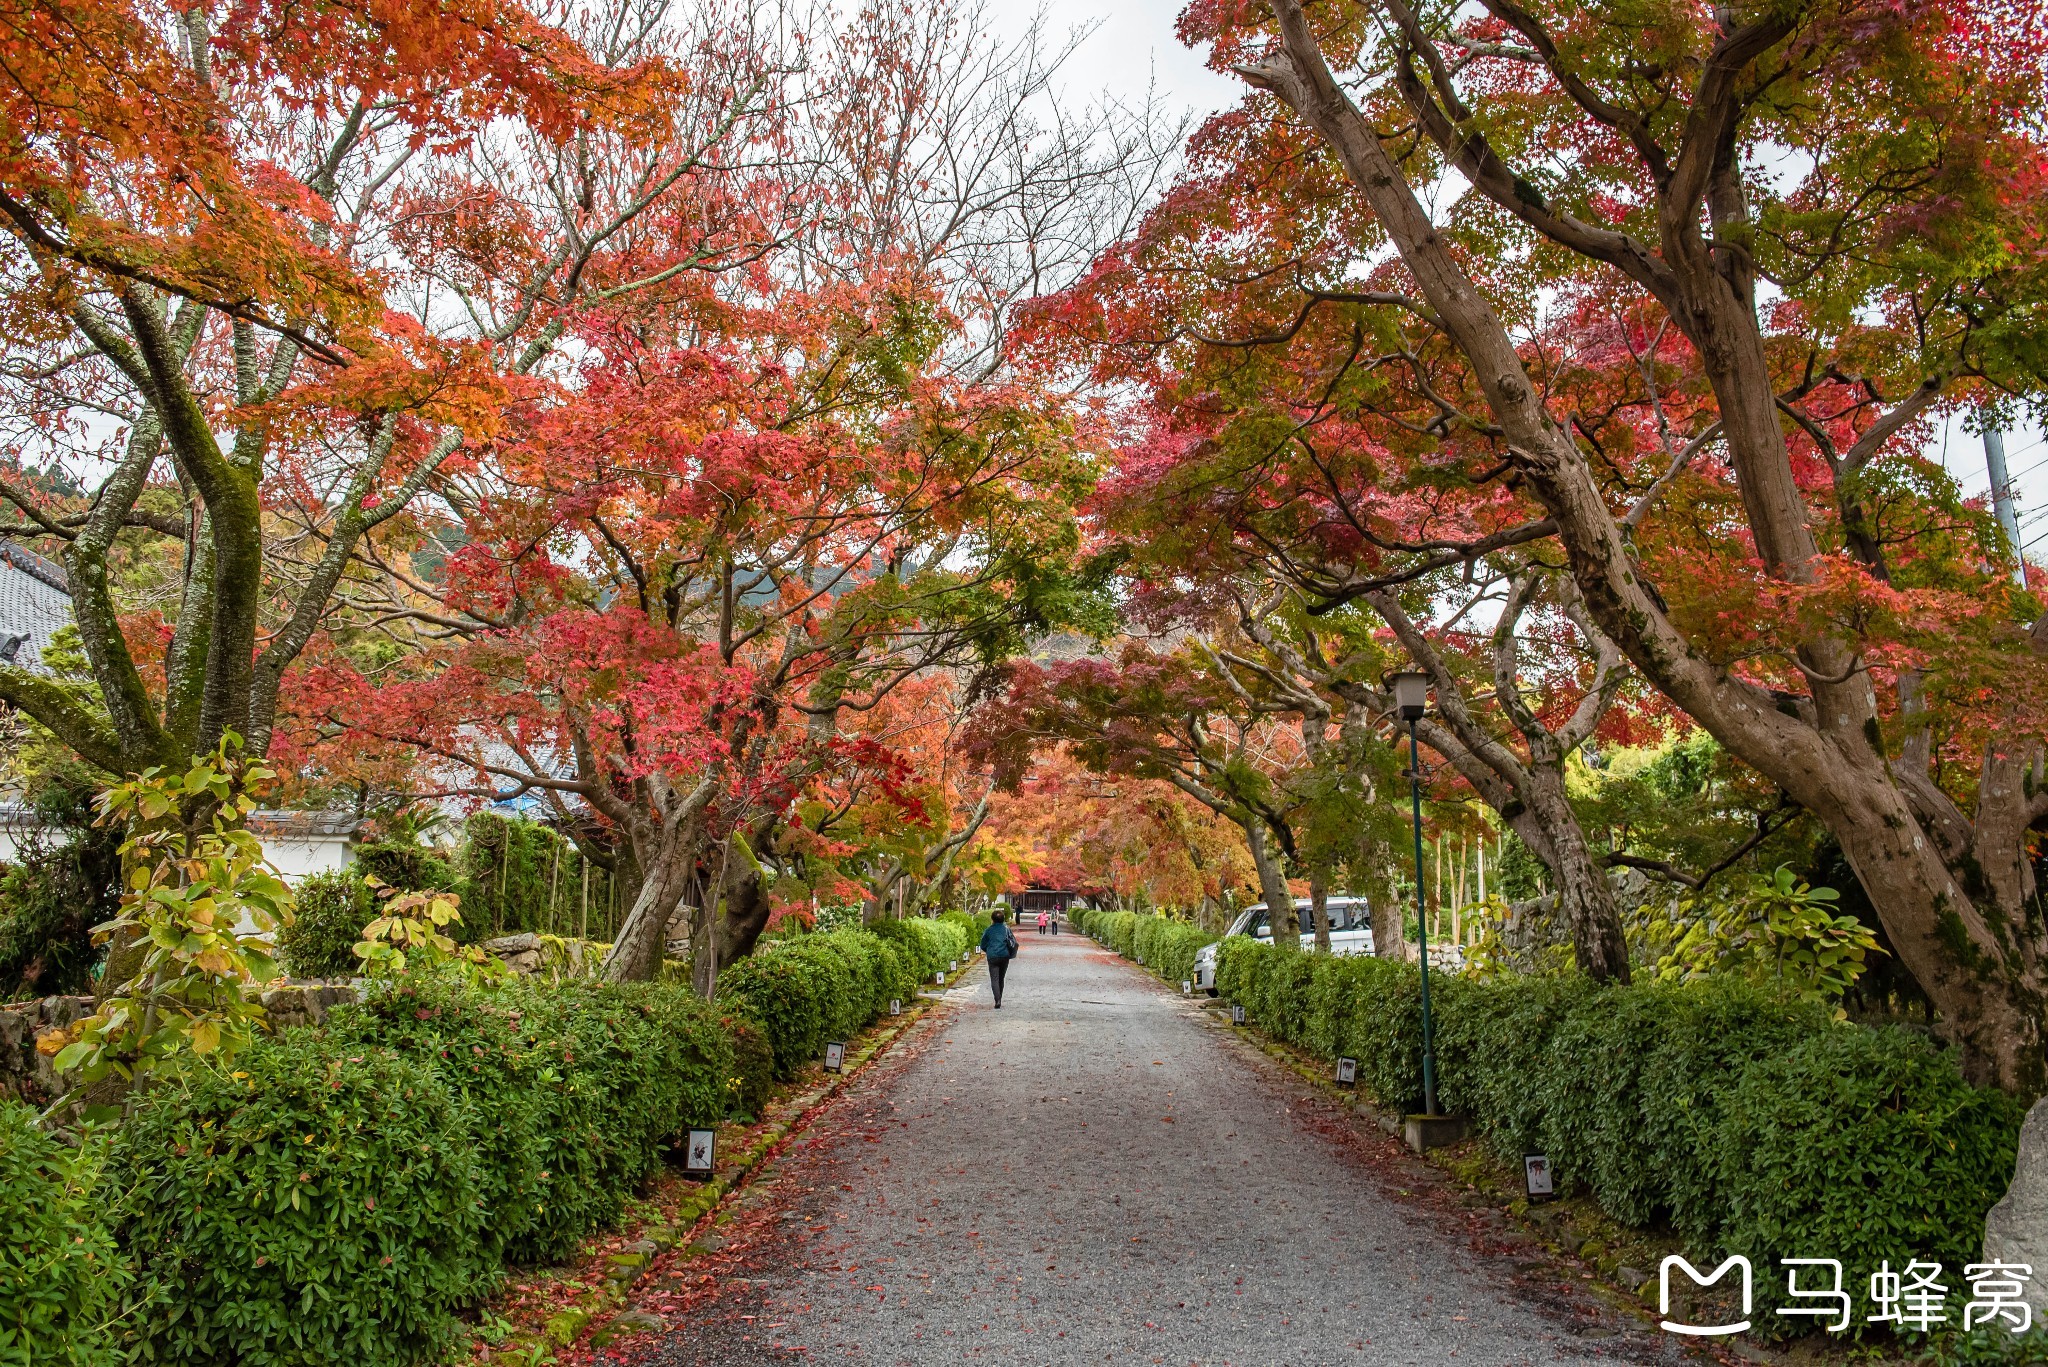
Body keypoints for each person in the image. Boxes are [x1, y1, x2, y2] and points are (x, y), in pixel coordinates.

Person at [981, 909, 1019, 1008]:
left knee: (994, 978)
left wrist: (989, 950)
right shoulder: (1006, 929)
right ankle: (999, 998)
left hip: (992, 956)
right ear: (1003, 919)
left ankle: (997, 1000)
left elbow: (983, 944)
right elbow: (1012, 941)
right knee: (1001, 978)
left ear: (992, 919)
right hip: (1004, 955)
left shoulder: (988, 930)